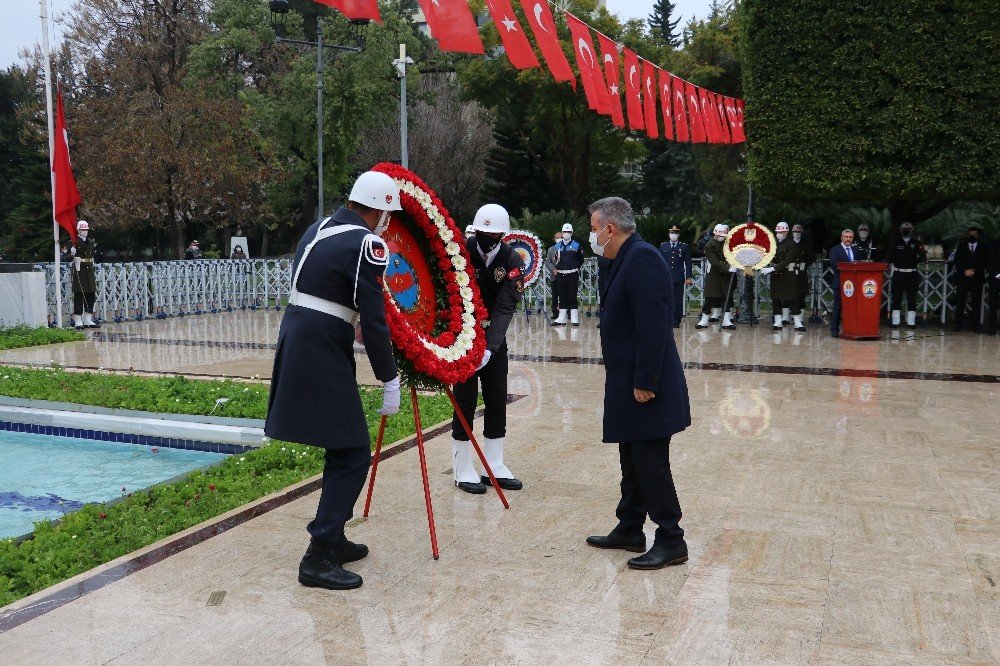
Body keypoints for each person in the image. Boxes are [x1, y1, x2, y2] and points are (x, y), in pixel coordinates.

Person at [264, 170, 402, 591]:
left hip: (303, 334)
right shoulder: (367, 243)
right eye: (388, 214)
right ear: (376, 208)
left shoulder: (319, 226)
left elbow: (321, 285)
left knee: (342, 444)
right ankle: (319, 554)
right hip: (320, 346)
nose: (388, 223)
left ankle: (333, 535)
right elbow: (375, 321)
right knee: (354, 452)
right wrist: (389, 377)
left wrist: (347, 317)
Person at [584, 197, 690, 570]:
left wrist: (646, 380)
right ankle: (630, 527)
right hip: (627, 379)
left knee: (650, 461)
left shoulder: (642, 257)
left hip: (647, 383)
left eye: (593, 227)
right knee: (630, 457)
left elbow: (653, 324)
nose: (591, 234)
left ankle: (671, 539)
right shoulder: (619, 259)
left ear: (609, 228)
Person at [451, 204, 526, 494]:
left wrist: (490, 348)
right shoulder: (462, 251)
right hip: (462, 340)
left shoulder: (511, 259)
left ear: (502, 234)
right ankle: (462, 467)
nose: (486, 238)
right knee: (465, 401)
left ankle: (495, 463)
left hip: (493, 340)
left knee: (496, 398)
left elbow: (506, 307)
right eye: (482, 232)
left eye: (493, 234)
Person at [762, 222, 805, 331]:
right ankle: (777, 321)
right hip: (776, 274)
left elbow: (787, 260)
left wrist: (773, 268)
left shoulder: (792, 244)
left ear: (786, 232)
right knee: (776, 298)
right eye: (777, 232)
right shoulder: (774, 243)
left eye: (781, 232)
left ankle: (797, 322)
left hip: (787, 274)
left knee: (792, 298)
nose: (778, 234)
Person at [884, 222, 926, 329]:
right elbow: (889, 257)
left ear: (912, 230)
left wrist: (913, 259)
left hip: (912, 274)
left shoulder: (916, 243)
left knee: (912, 298)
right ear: (901, 230)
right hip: (898, 273)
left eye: (908, 229)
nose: (906, 230)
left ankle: (911, 322)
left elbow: (922, 257)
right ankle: (895, 321)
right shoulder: (895, 242)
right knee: (896, 297)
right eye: (904, 228)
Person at [696, 224, 737, 330]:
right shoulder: (709, 245)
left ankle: (726, 320)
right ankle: (704, 320)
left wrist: (733, 263)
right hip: (714, 274)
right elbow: (714, 261)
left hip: (724, 274)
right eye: (721, 235)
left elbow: (730, 255)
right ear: (715, 234)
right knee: (710, 297)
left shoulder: (726, 244)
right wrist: (728, 268)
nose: (722, 237)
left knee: (725, 297)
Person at [952, 227, 989, 332]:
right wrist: (964, 271)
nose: (972, 237)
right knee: (960, 301)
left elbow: (985, 262)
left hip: (977, 278)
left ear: (978, 236)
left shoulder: (983, 247)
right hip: (963, 278)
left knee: (976, 302)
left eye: (974, 235)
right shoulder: (962, 246)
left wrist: (974, 271)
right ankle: (958, 324)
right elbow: (957, 260)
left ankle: (975, 325)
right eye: (970, 235)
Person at [658, 225, 692, 328]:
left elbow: (688, 263)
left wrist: (688, 277)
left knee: (677, 300)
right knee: (666, 298)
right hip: (666, 277)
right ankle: (666, 318)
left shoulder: (684, 246)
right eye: (672, 233)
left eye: (675, 233)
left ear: (678, 235)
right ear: (669, 234)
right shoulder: (663, 246)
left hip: (678, 276)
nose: (673, 235)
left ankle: (676, 320)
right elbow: (659, 261)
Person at [69, 220, 100, 330]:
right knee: (79, 294)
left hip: (89, 270)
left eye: (86, 229)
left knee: (90, 294)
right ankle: (77, 320)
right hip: (79, 270)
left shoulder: (90, 242)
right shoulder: (74, 241)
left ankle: (88, 319)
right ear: (78, 230)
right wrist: (72, 253)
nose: (85, 231)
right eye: (83, 229)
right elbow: (68, 257)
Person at [551, 223, 584, 326]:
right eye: (565, 232)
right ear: (562, 232)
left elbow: (581, 260)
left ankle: (574, 318)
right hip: (561, 275)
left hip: (572, 274)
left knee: (572, 296)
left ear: (572, 233)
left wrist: (574, 268)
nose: (566, 234)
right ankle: (561, 318)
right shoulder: (557, 246)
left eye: (569, 232)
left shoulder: (577, 245)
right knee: (562, 296)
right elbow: (555, 260)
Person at [828, 228, 856, 338]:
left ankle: (852, 328)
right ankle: (834, 329)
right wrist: (849, 267)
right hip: (840, 283)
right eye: (846, 237)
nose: (848, 239)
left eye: (850, 237)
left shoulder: (856, 249)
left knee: (853, 307)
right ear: (841, 238)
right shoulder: (835, 250)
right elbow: (834, 264)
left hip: (855, 284)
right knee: (838, 307)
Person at [792, 223, 812, 324]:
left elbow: (811, 257)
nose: (797, 234)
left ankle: (799, 317)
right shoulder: (788, 243)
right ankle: (786, 317)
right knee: (788, 294)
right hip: (789, 272)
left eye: (799, 232)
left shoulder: (806, 245)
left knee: (801, 294)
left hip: (801, 273)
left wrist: (805, 264)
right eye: (795, 232)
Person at [545, 232, 561, 320]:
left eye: (561, 237)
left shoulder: (566, 248)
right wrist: (553, 269)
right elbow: (548, 262)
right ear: (554, 239)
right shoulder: (551, 249)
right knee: (555, 295)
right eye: (557, 238)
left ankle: (568, 312)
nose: (559, 239)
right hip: (554, 276)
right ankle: (555, 312)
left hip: (565, 275)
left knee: (566, 294)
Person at [987, 230, 1000, 336]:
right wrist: (997, 274)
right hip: (995, 278)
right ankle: (992, 327)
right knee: (993, 303)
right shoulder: (993, 245)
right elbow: (990, 261)